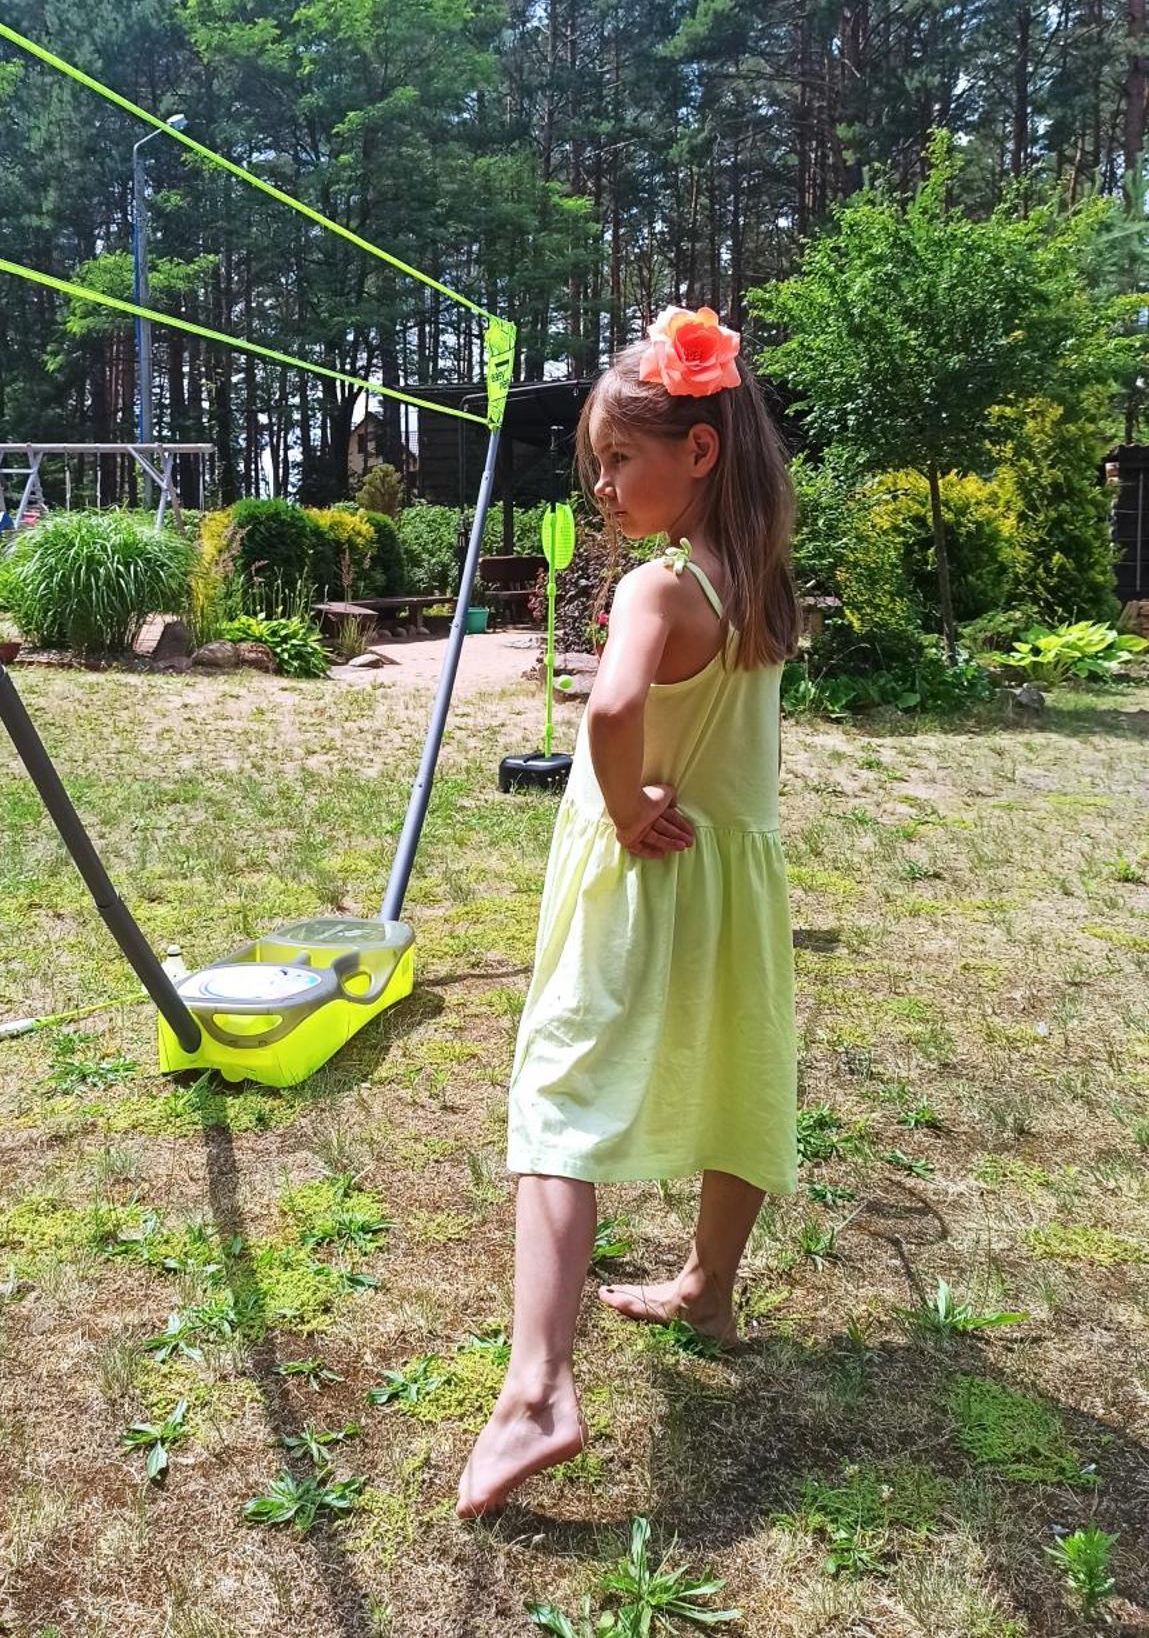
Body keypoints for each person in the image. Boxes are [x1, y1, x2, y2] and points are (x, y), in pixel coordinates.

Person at [457, 306, 802, 1520]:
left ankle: (538, 1386)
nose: (600, 486)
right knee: (732, 1075)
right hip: (734, 885)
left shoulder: (660, 586)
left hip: (646, 876)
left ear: (696, 453)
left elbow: (609, 715)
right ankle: (708, 1285)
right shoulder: (754, 572)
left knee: (558, 1098)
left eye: (618, 460)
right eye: (594, 465)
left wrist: (616, 803)